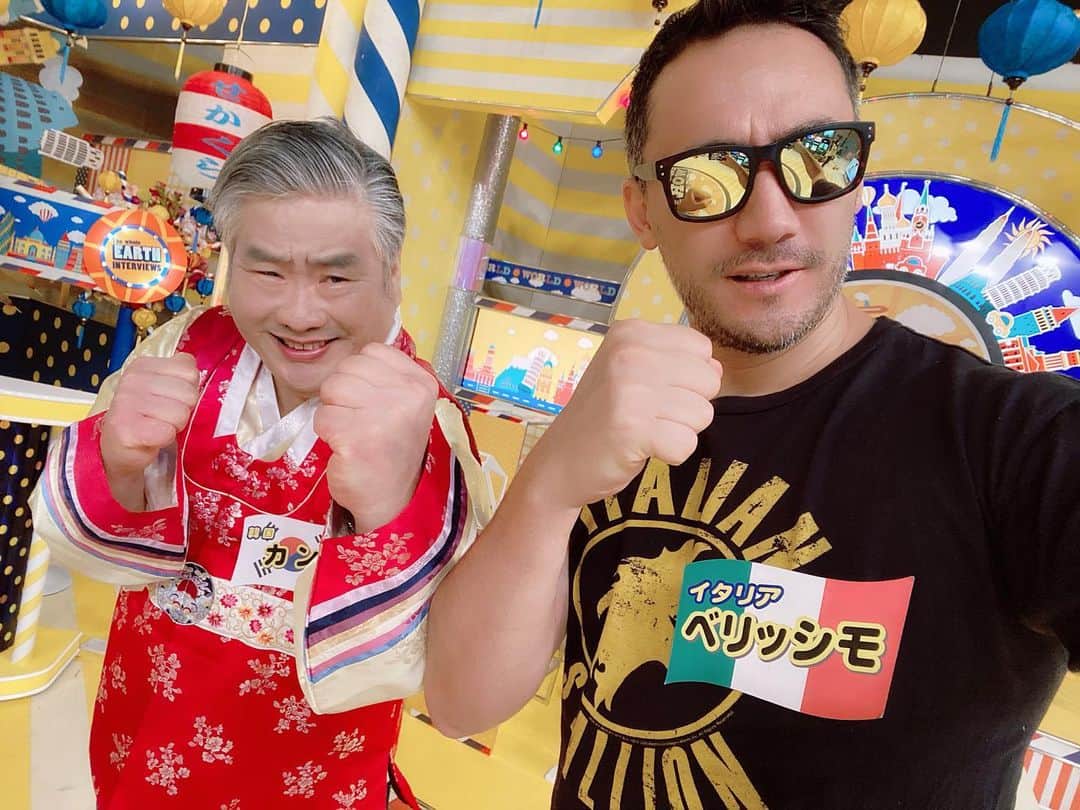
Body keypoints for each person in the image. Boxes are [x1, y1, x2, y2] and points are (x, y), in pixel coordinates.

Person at [422, 2, 1079, 808]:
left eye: (817, 156)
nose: (769, 220)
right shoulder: (615, 420)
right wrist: (551, 481)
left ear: (858, 177)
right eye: (707, 177)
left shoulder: (1016, 441)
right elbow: (461, 704)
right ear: (643, 212)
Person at [30, 118, 485, 808]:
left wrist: (389, 511)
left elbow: (451, 666)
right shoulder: (183, 349)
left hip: (310, 765)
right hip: (146, 716)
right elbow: (92, 537)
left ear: (392, 274)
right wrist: (117, 460)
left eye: (336, 276)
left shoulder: (428, 421)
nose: (299, 313)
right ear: (230, 260)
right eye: (267, 271)